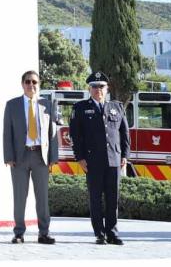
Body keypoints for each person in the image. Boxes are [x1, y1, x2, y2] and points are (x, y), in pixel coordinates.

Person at [69, 72, 130, 246]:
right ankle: (99, 233)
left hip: (114, 159)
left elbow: (124, 133)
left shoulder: (116, 107)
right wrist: (79, 157)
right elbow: (75, 135)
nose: (98, 90)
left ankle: (112, 232)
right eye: (95, 87)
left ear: (107, 88)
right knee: (95, 198)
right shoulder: (80, 108)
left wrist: (125, 155)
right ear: (89, 89)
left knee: (113, 198)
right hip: (92, 161)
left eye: (101, 86)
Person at [3, 70, 58, 245]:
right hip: (20, 157)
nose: (31, 85)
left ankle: (44, 233)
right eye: (28, 82)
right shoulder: (12, 105)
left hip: (40, 157)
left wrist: (52, 158)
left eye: (34, 82)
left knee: (42, 197)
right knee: (20, 197)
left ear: (38, 84)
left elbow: (52, 133)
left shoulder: (46, 105)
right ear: (22, 84)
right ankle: (19, 233)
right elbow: (7, 133)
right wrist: (8, 156)